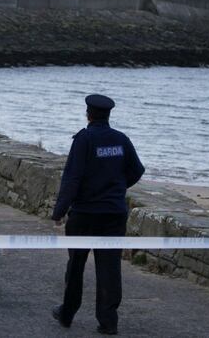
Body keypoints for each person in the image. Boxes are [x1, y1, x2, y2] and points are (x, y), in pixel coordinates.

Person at [51, 94, 145, 334]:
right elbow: (137, 170)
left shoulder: (84, 139)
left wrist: (59, 212)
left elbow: (72, 179)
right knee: (110, 267)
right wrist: (117, 189)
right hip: (113, 214)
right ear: (108, 115)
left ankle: (67, 313)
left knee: (76, 265)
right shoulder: (121, 140)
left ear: (88, 114)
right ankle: (108, 321)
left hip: (84, 213)